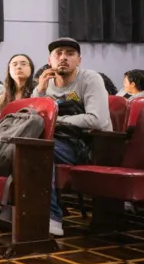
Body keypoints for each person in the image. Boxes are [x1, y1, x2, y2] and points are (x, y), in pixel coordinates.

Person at [34, 37, 112, 237]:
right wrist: (40, 91)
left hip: (86, 145)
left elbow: (97, 120)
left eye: (70, 54)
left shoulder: (90, 78)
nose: (63, 58)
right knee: (23, 147)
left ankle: (52, 216)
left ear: (79, 60)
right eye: (58, 53)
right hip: (52, 140)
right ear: (49, 60)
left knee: (38, 150)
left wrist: (57, 120)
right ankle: (18, 210)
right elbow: (30, 118)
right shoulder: (45, 84)